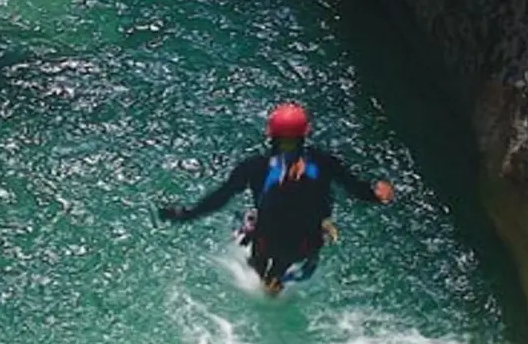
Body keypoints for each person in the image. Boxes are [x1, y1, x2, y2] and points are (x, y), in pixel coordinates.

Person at [158, 102, 394, 294]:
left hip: (265, 238)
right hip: (303, 243)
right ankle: (277, 279)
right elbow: (355, 188)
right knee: (294, 251)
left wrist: (187, 214)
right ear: (306, 133)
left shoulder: (254, 166)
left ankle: (263, 277)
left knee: (250, 231)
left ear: (269, 134)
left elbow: (221, 197)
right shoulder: (323, 162)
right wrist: (376, 195)